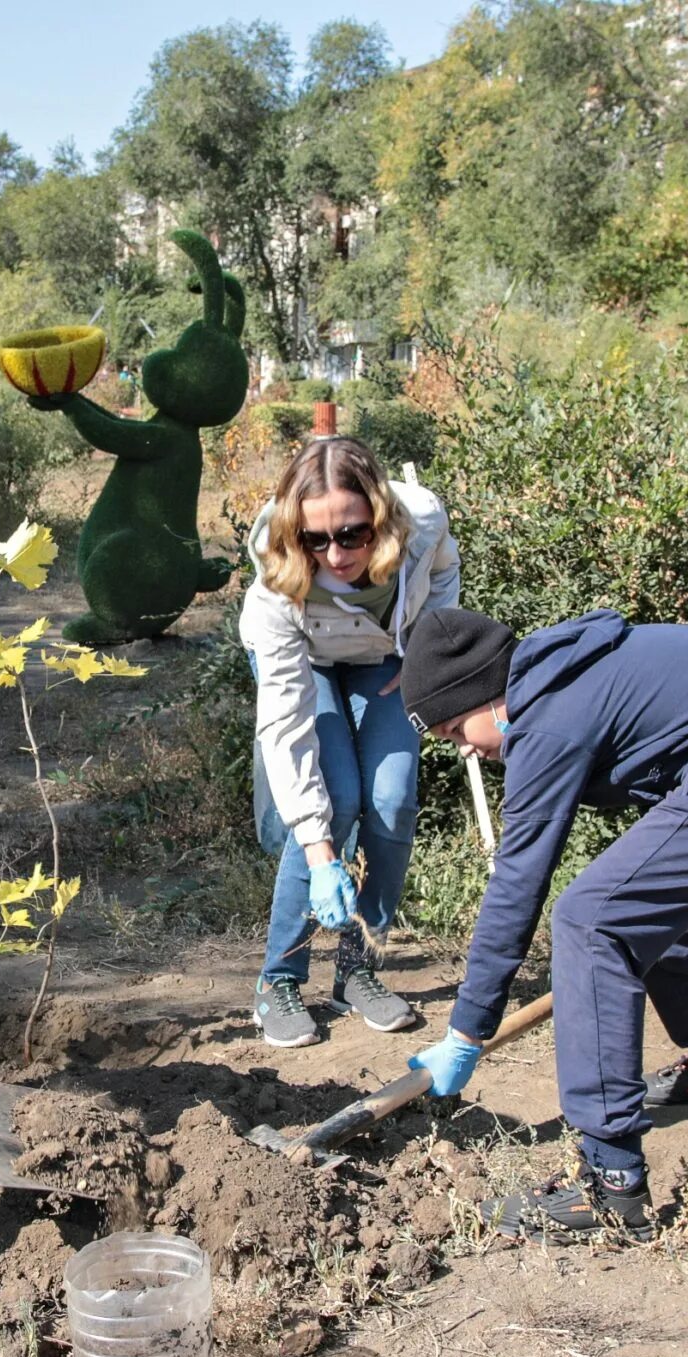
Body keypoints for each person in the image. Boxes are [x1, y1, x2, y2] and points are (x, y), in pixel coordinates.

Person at [399, 608, 688, 1242]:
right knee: (660, 927)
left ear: (486, 695)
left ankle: (610, 1186)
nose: (466, 748)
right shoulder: (557, 678)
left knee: (590, 922)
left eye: (457, 730)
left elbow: (518, 884)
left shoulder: (548, 719)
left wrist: (468, 1031)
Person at [238, 436, 462, 1048]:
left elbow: (444, 573)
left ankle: (359, 968)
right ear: (295, 533)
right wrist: (319, 856)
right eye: (316, 539)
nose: (335, 554)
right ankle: (277, 980)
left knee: (389, 800)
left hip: (383, 659)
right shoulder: (275, 581)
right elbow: (286, 724)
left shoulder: (424, 521)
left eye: (353, 534)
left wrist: (425, 650)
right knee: (334, 800)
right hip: (305, 660)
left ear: (381, 518)